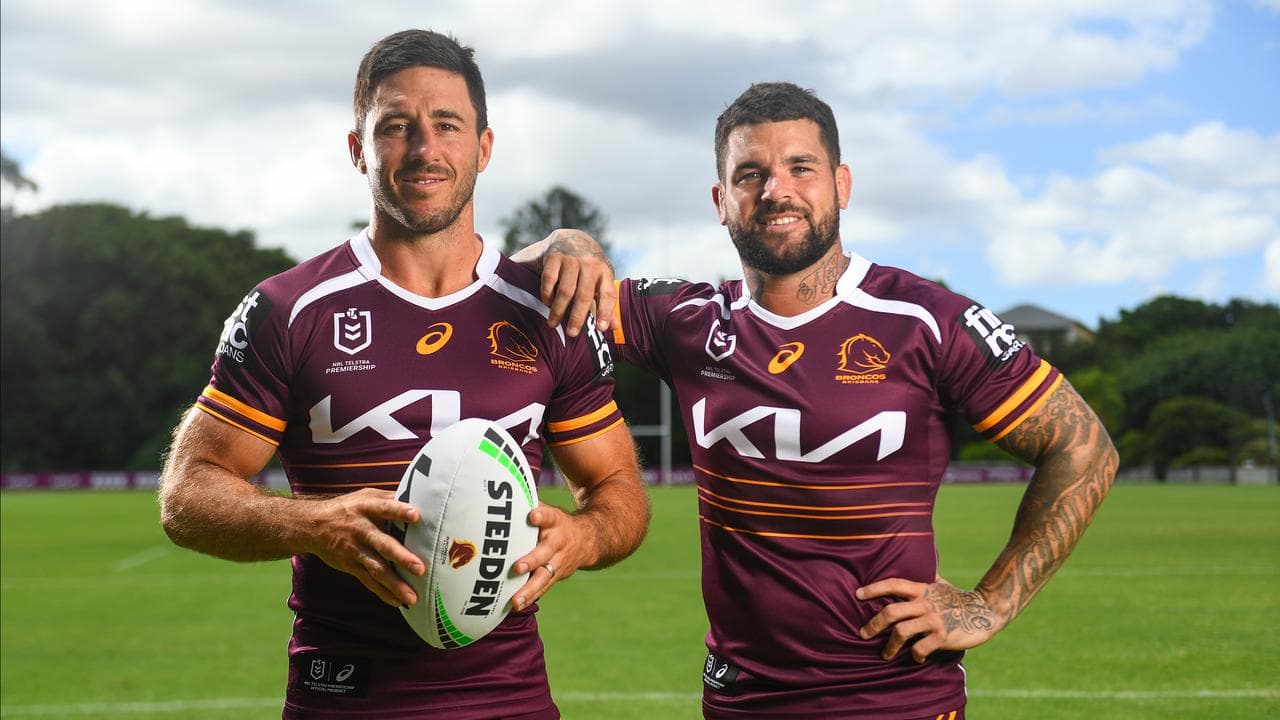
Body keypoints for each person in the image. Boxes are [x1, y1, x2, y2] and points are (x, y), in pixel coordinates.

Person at [518, 82, 1118, 719]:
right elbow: (506, 279)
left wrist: (990, 603)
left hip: (897, 700)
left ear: (842, 184)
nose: (776, 189)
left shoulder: (926, 321)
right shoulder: (684, 321)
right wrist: (566, 242)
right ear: (721, 202)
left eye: (800, 167)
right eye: (751, 174)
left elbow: (1083, 449)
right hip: (742, 701)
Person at [158, 29, 649, 720]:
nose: (424, 148)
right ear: (358, 148)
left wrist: (587, 536)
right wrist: (313, 524)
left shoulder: (548, 310)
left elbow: (617, 487)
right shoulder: (289, 310)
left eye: (447, 124)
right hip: (340, 700)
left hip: (510, 702)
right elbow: (187, 493)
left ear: (483, 147)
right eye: (396, 127)